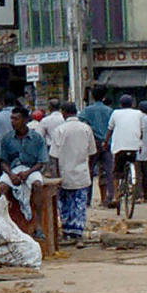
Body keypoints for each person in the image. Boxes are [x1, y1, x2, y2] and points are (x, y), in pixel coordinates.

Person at [0, 105, 48, 232]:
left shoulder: (37, 139)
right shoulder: (7, 139)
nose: (13, 122)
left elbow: (41, 162)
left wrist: (28, 173)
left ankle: (38, 223)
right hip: (13, 170)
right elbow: (3, 162)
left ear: (25, 120)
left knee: (37, 184)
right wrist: (10, 175)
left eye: (16, 119)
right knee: (2, 186)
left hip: (31, 169)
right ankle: (3, 221)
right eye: (12, 119)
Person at [51, 102, 96, 242]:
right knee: (79, 204)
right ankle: (78, 233)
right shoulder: (86, 128)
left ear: (63, 112)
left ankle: (66, 231)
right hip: (82, 172)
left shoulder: (59, 130)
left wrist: (56, 175)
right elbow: (92, 151)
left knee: (64, 204)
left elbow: (54, 156)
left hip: (64, 172)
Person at [107, 94, 143, 207]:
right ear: (132, 104)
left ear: (120, 104)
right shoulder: (138, 114)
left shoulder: (115, 113)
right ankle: (134, 189)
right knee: (134, 167)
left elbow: (110, 129)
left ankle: (115, 196)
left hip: (120, 148)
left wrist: (105, 141)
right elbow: (141, 131)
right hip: (134, 147)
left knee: (116, 173)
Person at [81, 88, 115, 207]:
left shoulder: (87, 110)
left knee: (89, 171)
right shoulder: (110, 110)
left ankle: (87, 200)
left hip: (93, 143)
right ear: (104, 97)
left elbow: (81, 122)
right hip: (107, 143)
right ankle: (111, 197)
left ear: (93, 96)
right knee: (110, 171)